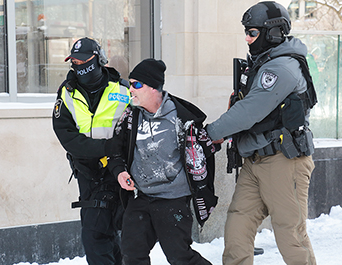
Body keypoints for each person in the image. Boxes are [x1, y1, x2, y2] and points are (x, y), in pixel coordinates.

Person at [205, 2, 317, 265]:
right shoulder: (263, 63)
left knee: (290, 235)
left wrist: (211, 132)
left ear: (274, 32)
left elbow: (249, 112)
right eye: (246, 32)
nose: (247, 38)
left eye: (252, 32)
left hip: (283, 161)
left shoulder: (282, 68)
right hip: (254, 161)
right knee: (237, 230)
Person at [107, 58, 220, 265]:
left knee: (179, 256)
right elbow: (115, 151)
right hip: (141, 197)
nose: (130, 89)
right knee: (131, 254)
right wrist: (120, 172)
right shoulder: (131, 116)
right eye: (129, 83)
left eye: (136, 84)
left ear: (153, 88)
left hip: (173, 200)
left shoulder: (181, 119)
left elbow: (204, 149)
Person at [52, 37, 130, 265]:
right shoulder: (66, 93)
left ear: (98, 59)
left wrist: (118, 153)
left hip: (119, 169)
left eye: (83, 60)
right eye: (74, 61)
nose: (78, 65)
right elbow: (67, 136)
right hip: (88, 171)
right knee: (98, 232)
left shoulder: (123, 90)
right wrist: (105, 147)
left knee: (109, 230)